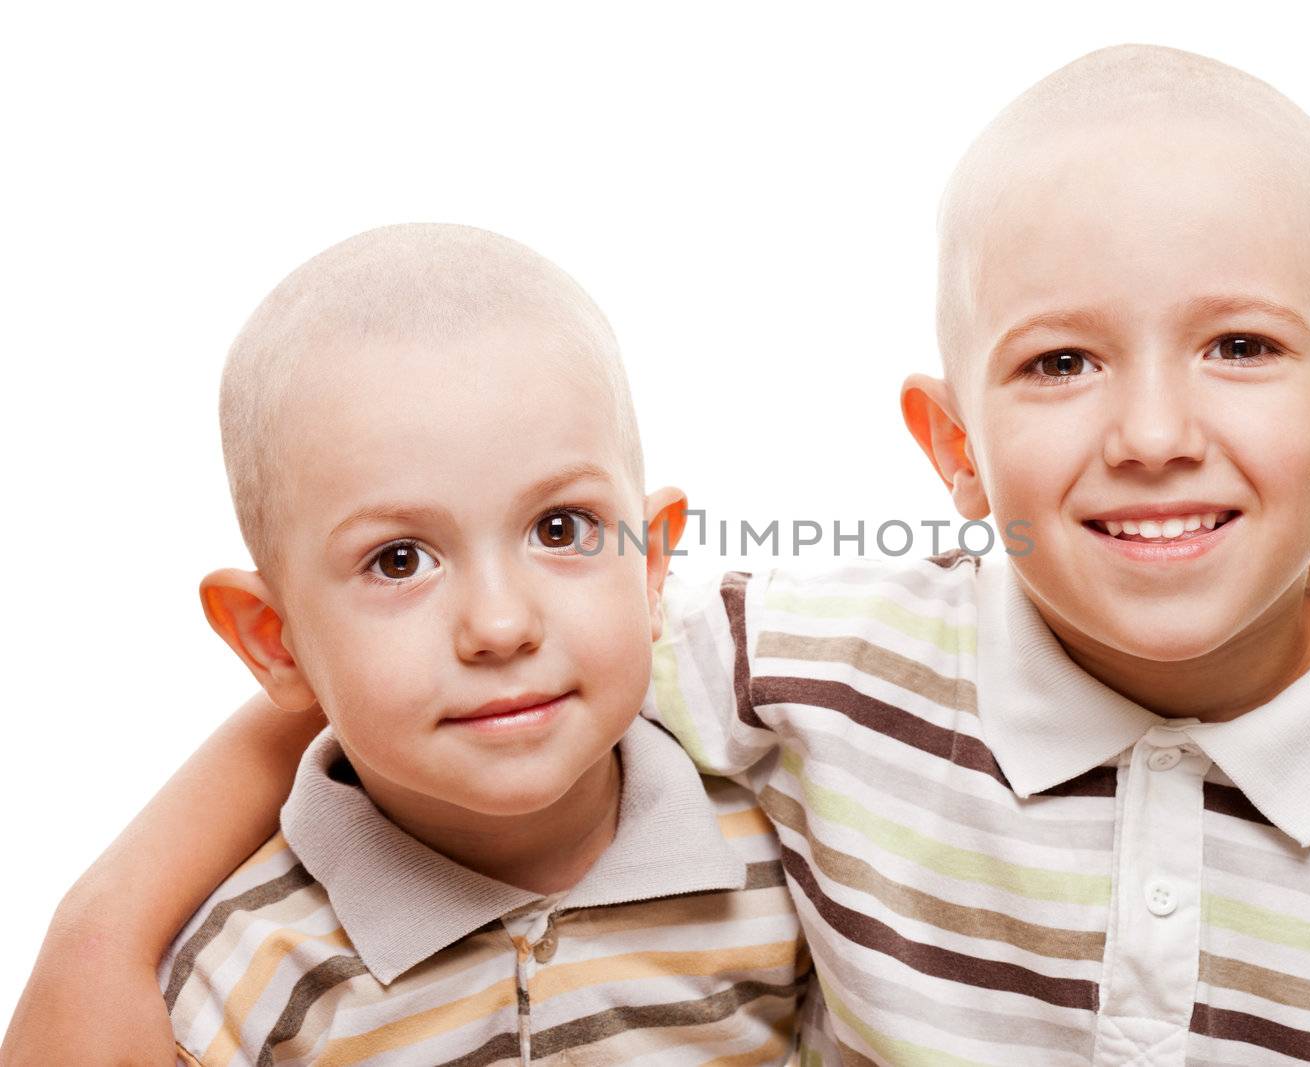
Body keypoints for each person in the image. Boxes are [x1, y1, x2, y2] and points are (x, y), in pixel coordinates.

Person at [7, 45, 1310, 1064]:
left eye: (1242, 344)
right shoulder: (819, 667)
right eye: (1059, 364)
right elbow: (498, 648)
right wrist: (101, 919)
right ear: (954, 448)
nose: (1155, 430)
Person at [5, 223, 808, 1065]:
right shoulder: (246, 977)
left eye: (560, 526)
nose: (500, 626)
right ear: (274, 642)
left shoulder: (788, 862)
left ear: (649, 565)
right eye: (400, 560)